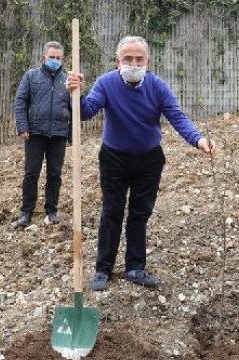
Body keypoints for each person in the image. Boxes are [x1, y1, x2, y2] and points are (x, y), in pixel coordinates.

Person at [67, 36, 217, 291]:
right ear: (118, 62)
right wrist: (74, 93)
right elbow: (86, 111)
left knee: (139, 214)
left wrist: (198, 139)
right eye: (128, 59)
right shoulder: (106, 83)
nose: (133, 64)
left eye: (139, 59)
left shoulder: (157, 86)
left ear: (148, 62)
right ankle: (103, 269)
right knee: (111, 212)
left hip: (149, 159)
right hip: (114, 158)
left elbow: (177, 117)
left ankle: (135, 267)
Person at [14, 41, 71, 227]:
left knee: (55, 174)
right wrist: (23, 126)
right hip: (35, 133)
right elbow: (20, 101)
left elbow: (76, 106)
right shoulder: (31, 76)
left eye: (58, 58)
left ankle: (51, 211)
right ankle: (26, 212)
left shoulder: (67, 80)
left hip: (59, 134)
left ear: (62, 59)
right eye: (51, 57)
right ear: (43, 57)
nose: (55, 60)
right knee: (32, 173)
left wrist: (71, 134)